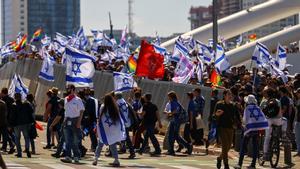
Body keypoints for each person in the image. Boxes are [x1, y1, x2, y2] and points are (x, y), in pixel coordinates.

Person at [234, 95, 268, 169]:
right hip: (256, 129)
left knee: (243, 146)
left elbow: (245, 120)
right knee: (255, 146)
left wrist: (243, 125)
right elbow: (262, 118)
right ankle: (253, 164)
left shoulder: (247, 108)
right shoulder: (258, 108)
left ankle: (239, 164)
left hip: (249, 129)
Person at [93, 94, 126, 167]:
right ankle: (116, 160)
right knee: (112, 144)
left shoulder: (102, 107)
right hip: (112, 129)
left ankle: (96, 158)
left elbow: (100, 119)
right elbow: (119, 120)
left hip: (105, 129)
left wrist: (98, 128)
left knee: (100, 144)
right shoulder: (114, 107)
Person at [214, 89, 240, 169]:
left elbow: (238, 116)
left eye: (231, 94)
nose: (230, 96)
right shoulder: (219, 104)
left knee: (228, 147)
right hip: (222, 127)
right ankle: (226, 165)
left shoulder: (233, 105)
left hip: (231, 127)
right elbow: (213, 115)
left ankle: (220, 158)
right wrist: (217, 114)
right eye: (228, 94)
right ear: (224, 95)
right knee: (225, 146)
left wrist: (239, 124)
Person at [61, 84, 85, 164]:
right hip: (67, 120)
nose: (67, 90)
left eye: (69, 88)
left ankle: (76, 156)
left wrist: (79, 122)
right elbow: (66, 111)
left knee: (75, 141)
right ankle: (68, 156)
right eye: (67, 88)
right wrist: (64, 121)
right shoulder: (66, 99)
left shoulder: (78, 99)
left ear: (72, 89)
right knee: (68, 140)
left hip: (75, 120)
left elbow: (81, 111)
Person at [262, 88, 287, 160]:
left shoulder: (265, 101)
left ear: (267, 94)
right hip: (278, 120)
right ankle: (283, 135)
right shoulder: (278, 101)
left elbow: (263, 112)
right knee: (285, 120)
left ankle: (265, 154)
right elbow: (280, 112)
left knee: (267, 137)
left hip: (269, 120)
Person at [164, 91, 193, 156]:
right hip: (176, 120)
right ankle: (187, 146)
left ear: (171, 97)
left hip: (175, 120)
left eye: (169, 96)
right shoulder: (176, 101)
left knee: (172, 135)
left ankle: (172, 150)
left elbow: (175, 110)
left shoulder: (173, 102)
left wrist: (169, 113)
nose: (168, 98)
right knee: (175, 135)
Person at [11, 93, 34, 158]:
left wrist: (10, 125)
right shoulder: (26, 104)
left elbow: (12, 116)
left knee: (17, 138)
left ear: (15, 97)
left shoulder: (14, 105)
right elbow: (31, 111)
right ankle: (27, 149)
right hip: (25, 124)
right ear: (21, 97)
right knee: (26, 137)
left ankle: (19, 152)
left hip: (17, 124)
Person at [114, 92, 136, 159]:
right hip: (127, 122)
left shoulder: (117, 103)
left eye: (115, 96)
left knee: (123, 137)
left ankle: (132, 152)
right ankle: (122, 149)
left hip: (121, 123)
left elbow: (116, 113)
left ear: (117, 97)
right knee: (124, 137)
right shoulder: (125, 102)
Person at [0, 88, 15, 154]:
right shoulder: (11, 99)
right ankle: (11, 145)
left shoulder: (3, 101)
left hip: (4, 120)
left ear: (3, 93)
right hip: (9, 119)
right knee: (6, 133)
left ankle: (6, 146)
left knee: (5, 134)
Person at [294, 88, 300, 157]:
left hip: (298, 121)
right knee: (297, 137)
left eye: (298, 93)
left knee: (298, 137)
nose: (297, 94)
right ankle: (299, 151)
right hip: (297, 120)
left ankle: (299, 151)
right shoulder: (298, 100)